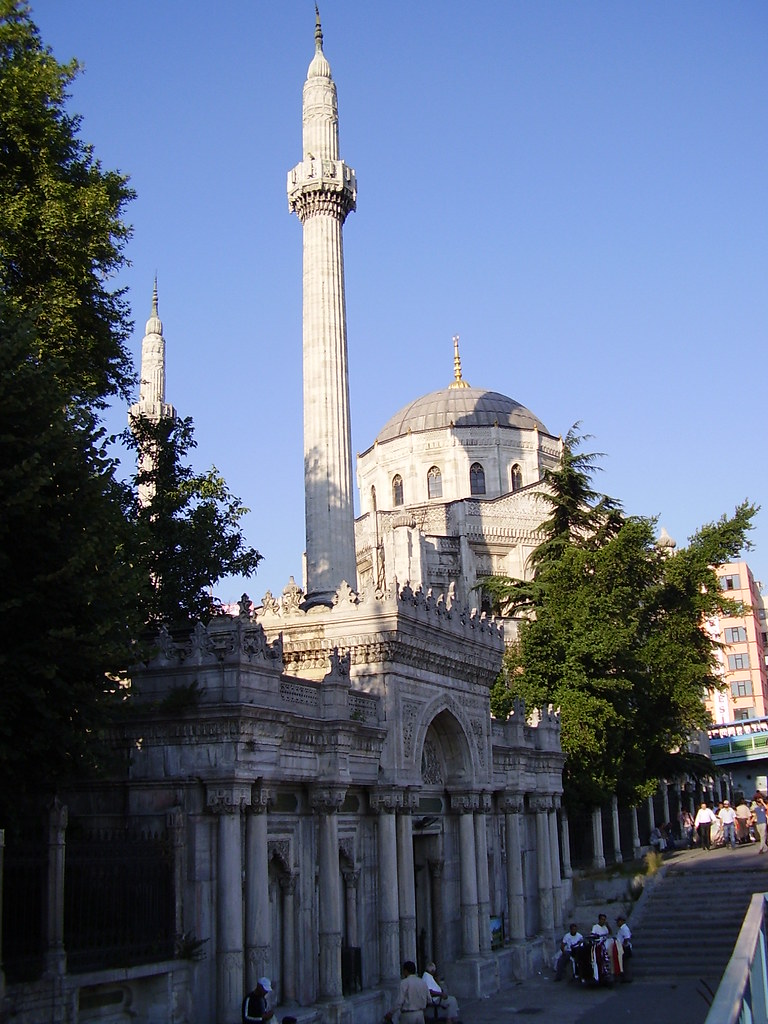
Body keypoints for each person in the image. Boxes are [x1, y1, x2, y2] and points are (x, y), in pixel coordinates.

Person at [615, 915, 633, 981]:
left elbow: (627, 938)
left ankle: (628, 978)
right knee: (623, 963)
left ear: (621, 921)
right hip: (621, 947)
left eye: (618, 921)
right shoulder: (621, 929)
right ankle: (625, 977)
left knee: (626, 963)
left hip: (625, 948)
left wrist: (623, 945)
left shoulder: (624, 928)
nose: (617, 923)